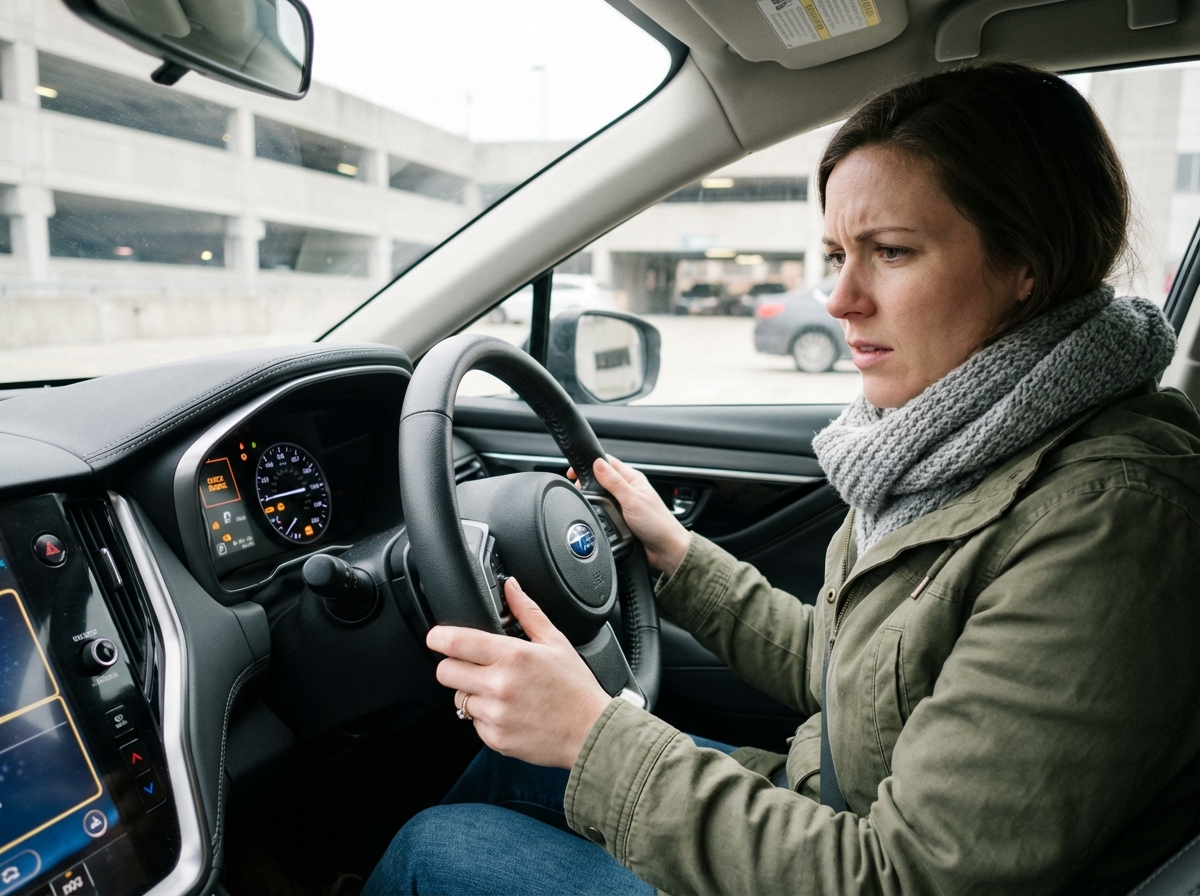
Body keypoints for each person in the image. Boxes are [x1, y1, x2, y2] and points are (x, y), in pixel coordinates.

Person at [364, 62, 1200, 895]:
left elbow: (904, 879)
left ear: (1032, 264)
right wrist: (681, 560)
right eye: (837, 253)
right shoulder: (947, 448)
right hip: (826, 813)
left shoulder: (1111, 519)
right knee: (503, 772)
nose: (839, 298)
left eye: (893, 252)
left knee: (435, 847)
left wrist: (592, 740)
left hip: (857, 861)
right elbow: (848, 677)